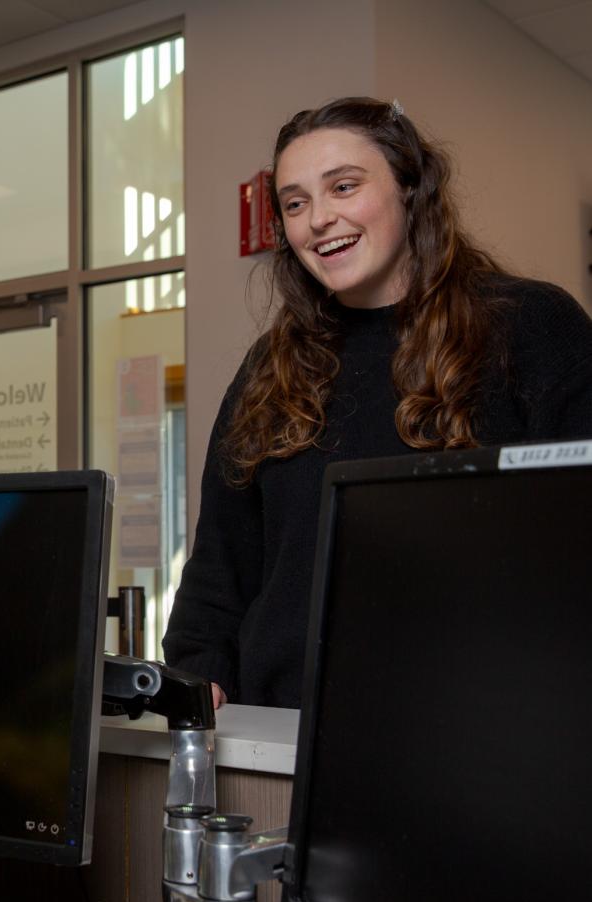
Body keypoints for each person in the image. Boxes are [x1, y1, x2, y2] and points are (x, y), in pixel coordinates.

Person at [163, 97, 592, 709]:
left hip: (484, 728)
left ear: (411, 189)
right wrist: (197, 687)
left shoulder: (530, 327)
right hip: (286, 732)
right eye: (295, 203)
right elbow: (219, 573)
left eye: (344, 187)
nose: (318, 220)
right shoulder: (269, 367)